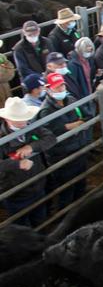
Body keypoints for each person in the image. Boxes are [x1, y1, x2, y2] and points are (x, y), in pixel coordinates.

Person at [37, 72, 89, 211]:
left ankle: (80, 209)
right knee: (66, 188)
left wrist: (76, 124)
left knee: (80, 182)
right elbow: (47, 133)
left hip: (79, 147)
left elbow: (86, 115)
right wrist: (69, 126)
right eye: (57, 87)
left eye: (62, 86)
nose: (61, 90)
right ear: (48, 88)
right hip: (62, 155)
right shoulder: (45, 111)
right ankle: (64, 214)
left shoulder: (70, 99)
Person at [0, 97, 56, 227]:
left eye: (25, 118)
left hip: (38, 182)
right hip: (15, 190)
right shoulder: (2, 138)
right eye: (18, 119)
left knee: (40, 218)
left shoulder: (31, 126)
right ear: (7, 118)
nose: (23, 122)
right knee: (21, 225)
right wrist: (17, 164)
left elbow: (51, 138)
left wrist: (32, 147)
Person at [68, 37, 98, 116]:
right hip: (82, 96)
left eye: (90, 50)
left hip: (90, 91)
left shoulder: (89, 59)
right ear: (80, 50)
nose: (88, 52)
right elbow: (73, 84)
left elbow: (90, 75)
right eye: (86, 51)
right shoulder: (72, 64)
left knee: (92, 113)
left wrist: (96, 74)